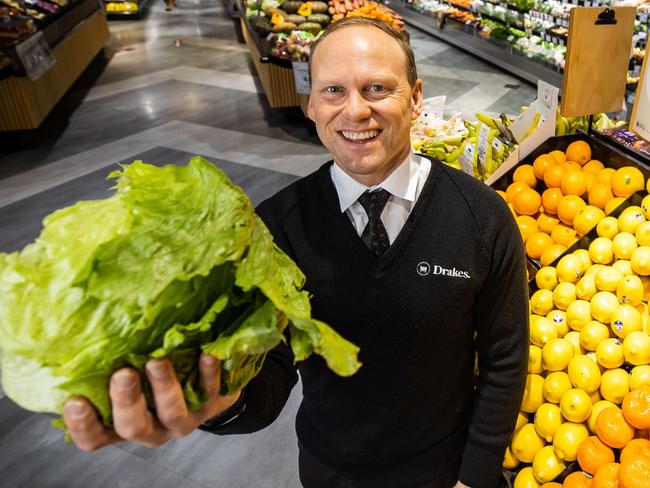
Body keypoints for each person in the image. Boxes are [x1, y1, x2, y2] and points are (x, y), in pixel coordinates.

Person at [63, 17, 529, 488]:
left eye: (376, 88)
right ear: (310, 104)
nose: (355, 111)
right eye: (332, 91)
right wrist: (223, 400)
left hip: (444, 474)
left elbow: (504, 358)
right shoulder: (277, 227)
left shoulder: (482, 217)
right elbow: (271, 369)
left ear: (415, 98)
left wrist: (475, 475)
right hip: (329, 472)